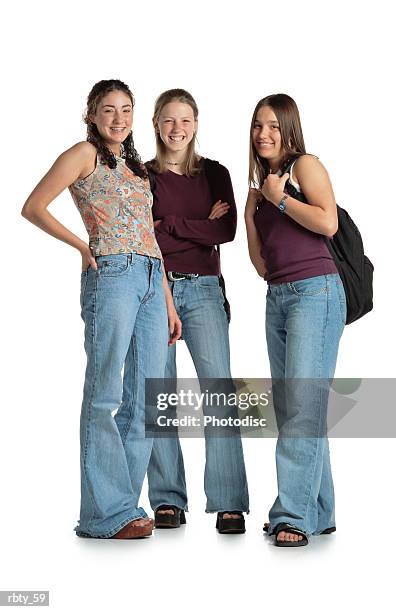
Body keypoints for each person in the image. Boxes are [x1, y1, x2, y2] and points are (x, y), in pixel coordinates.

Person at [21, 79, 181, 539]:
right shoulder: (82, 153)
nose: (118, 119)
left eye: (126, 110)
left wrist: (168, 301)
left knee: (142, 399)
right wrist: (81, 247)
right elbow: (33, 206)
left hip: (151, 277)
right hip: (111, 272)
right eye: (108, 110)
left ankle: (124, 509)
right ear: (91, 114)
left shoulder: (136, 167)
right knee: (106, 393)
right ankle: (100, 515)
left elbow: (151, 238)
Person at [145, 89, 249, 533]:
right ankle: (168, 499)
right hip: (154, 290)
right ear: (155, 124)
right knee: (158, 391)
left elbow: (225, 229)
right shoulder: (142, 175)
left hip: (205, 291)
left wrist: (167, 225)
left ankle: (229, 501)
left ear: (196, 123)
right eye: (169, 120)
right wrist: (196, 229)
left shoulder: (215, 173)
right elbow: (143, 241)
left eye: (185, 120)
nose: (177, 128)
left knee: (219, 391)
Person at [245, 93, 346, 546]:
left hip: (316, 293)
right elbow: (263, 264)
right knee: (294, 408)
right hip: (278, 294)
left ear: (289, 128)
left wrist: (280, 200)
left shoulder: (304, 166)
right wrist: (253, 213)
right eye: (256, 126)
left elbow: (328, 224)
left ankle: (291, 514)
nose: (263, 134)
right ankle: (318, 510)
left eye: (272, 126)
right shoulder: (264, 186)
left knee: (302, 406)